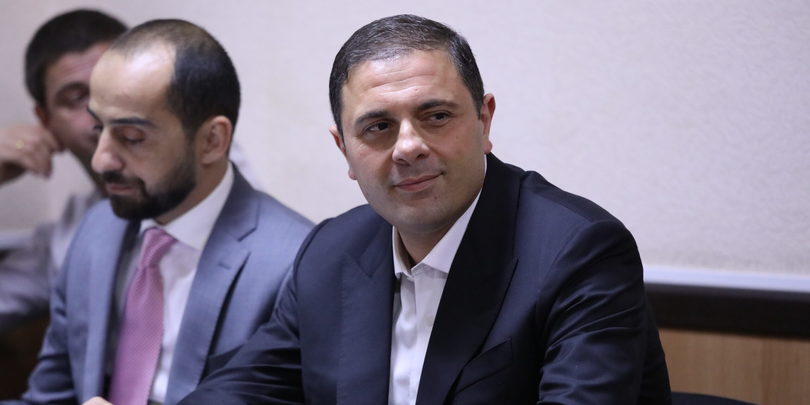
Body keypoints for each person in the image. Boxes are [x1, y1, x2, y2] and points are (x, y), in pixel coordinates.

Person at [181, 14, 672, 404]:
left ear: (484, 120)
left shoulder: (580, 253)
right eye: (378, 127)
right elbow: (244, 388)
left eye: (435, 116)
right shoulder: (331, 251)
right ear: (344, 150)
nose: (408, 148)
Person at [5, 19, 312, 405]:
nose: (101, 160)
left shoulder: (295, 265)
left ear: (212, 141)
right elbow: (49, 397)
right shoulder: (97, 227)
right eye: (99, 129)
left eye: (132, 137)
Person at [0, 9, 126, 333]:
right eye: (76, 98)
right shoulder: (67, 240)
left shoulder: (216, 178)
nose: (102, 111)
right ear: (46, 121)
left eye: (115, 84)